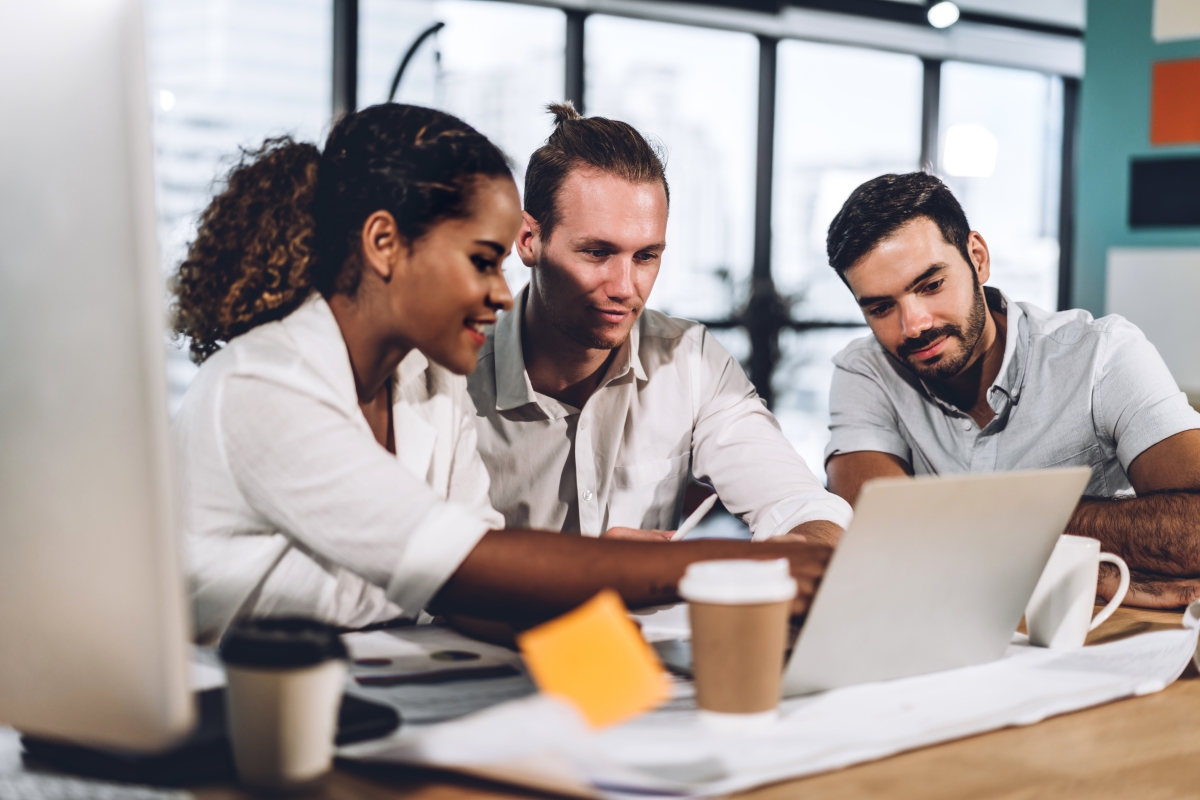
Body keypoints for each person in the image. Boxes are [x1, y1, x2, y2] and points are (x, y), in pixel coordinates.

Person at [171, 103, 830, 642]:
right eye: (482, 261)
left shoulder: (429, 387)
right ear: (383, 244)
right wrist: (709, 569)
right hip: (214, 720)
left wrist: (619, 694)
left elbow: (480, 592)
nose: (503, 293)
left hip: (370, 696)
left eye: (647, 256)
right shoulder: (266, 384)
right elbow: (463, 569)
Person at [467, 104, 852, 545]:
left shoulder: (690, 359)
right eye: (597, 253)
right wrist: (610, 571)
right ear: (529, 240)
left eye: (646, 256)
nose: (625, 287)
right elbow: (434, 565)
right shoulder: (454, 372)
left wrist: (807, 544)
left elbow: (797, 502)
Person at [821, 171, 1200, 608]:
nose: (915, 325)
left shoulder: (1101, 355)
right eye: (882, 307)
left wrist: (953, 522)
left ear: (977, 258)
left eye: (931, 285)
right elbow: (878, 534)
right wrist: (1079, 557)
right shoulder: (865, 371)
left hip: (1097, 638)